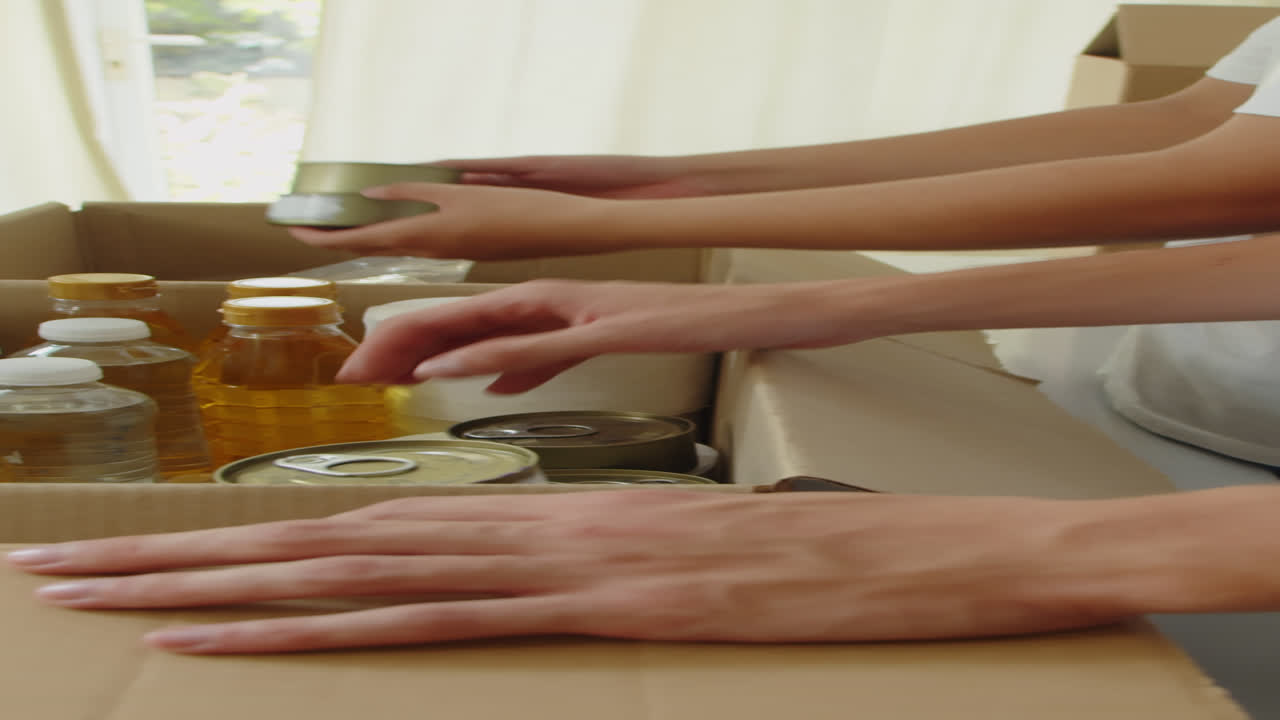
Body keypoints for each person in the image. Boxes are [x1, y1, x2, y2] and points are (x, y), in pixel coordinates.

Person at [10, 18, 1280, 656]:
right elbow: (1210, 135)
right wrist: (689, 196)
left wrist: (1066, 548)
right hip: (1197, 422)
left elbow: (1240, 177)